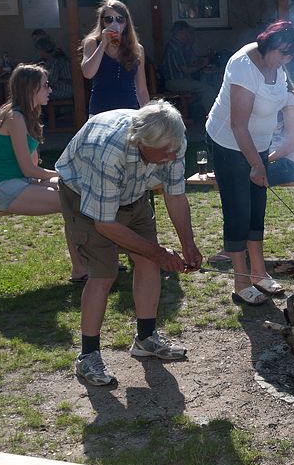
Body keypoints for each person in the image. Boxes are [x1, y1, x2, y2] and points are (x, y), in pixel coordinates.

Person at [55, 101, 200, 386]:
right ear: (142, 143)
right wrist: (158, 252)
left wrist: (188, 244)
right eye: (165, 152)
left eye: (175, 149)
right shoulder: (109, 151)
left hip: (134, 194)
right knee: (103, 273)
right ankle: (88, 357)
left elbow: (175, 194)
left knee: (148, 261)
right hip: (84, 194)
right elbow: (105, 223)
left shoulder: (172, 142)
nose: (173, 156)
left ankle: (146, 339)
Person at [207, 20, 294, 306]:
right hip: (229, 144)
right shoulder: (243, 66)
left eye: (289, 56)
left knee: (256, 209)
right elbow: (238, 125)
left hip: (258, 146)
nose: (286, 60)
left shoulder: (278, 67)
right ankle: (240, 282)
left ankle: (259, 274)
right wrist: (257, 165)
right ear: (268, 46)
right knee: (238, 210)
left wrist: (262, 157)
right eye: (283, 54)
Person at [0, 63, 85, 281]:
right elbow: (29, 168)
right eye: (45, 85)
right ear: (30, 89)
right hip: (0, 187)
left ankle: (87, 265)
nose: (50, 90)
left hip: (19, 181)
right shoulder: (14, 118)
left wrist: (59, 178)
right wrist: (60, 176)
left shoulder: (27, 116)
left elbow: (32, 167)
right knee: (74, 200)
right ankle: (83, 268)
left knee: (76, 193)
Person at [80, 0, 149, 116]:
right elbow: (88, 73)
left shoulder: (137, 49)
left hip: (128, 112)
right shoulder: (92, 43)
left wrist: (147, 115)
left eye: (120, 19)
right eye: (109, 19)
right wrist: (103, 44)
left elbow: (141, 89)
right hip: (100, 112)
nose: (114, 24)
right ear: (102, 22)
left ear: (126, 23)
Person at [161, 20, 219, 117]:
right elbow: (186, 69)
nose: (189, 34)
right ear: (181, 32)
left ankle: (210, 114)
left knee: (207, 83)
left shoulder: (181, 46)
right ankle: (214, 118)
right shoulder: (174, 48)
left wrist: (201, 61)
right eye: (187, 32)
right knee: (207, 89)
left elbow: (192, 61)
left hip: (182, 80)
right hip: (175, 81)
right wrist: (203, 64)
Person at [266, 85, 294, 185]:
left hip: (290, 165)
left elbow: (289, 146)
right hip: (282, 163)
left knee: (246, 177)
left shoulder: (288, 99)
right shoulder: (276, 99)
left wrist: (261, 162)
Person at [35, 37, 73, 102]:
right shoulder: (54, 57)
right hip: (65, 88)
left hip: (65, 89)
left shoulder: (55, 59)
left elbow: (52, 80)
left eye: (39, 50)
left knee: (38, 93)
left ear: (43, 50)